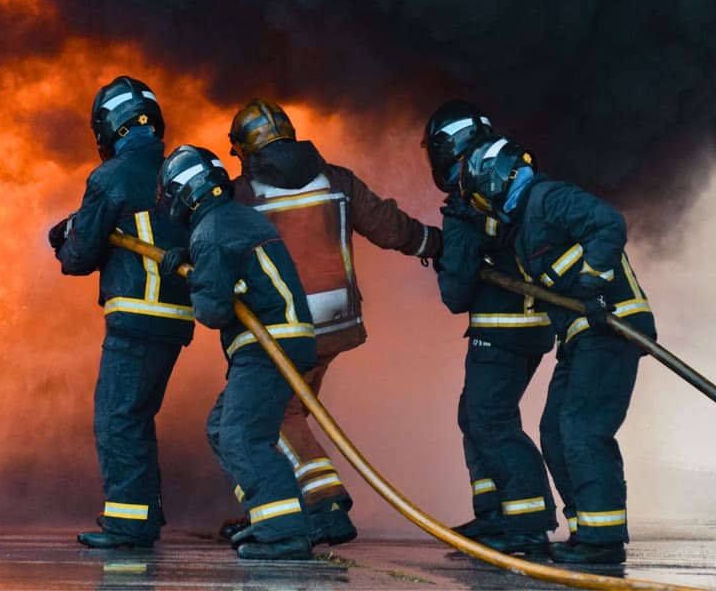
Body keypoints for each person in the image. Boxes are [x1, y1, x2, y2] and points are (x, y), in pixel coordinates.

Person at [222, 98, 442, 546]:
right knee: (293, 412)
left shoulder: (242, 195)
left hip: (281, 330)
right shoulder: (336, 179)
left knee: (270, 419)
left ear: (244, 149)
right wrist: (435, 244)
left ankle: (326, 506)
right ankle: (288, 510)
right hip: (334, 324)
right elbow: (388, 226)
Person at [459, 134, 656, 564]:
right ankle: (587, 529)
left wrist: (593, 283)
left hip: (613, 325)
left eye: (479, 195)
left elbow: (609, 223)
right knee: (555, 429)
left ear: (494, 181)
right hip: (582, 335)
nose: (481, 205)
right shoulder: (525, 224)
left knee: (582, 427)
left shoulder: (549, 199)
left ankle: (602, 543)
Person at [49, 76, 195, 549]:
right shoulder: (176, 168)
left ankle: (130, 524)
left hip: (135, 316)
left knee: (116, 419)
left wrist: (66, 241)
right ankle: (144, 513)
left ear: (107, 127)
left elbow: (79, 257)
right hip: (175, 319)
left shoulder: (110, 177)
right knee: (136, 416)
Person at [155, 144, 317, 560]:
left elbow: (212, 311)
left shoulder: (210, 231)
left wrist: (191, 275)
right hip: (278, 341)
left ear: (183, 193)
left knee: (243, 435)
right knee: (221, 429)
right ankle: (267, 519)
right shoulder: (230, 219)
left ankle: (284, 531)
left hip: (268, 346)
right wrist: (191, 260)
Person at [423, 101, 559, 555]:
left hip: (500, 331)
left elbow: (455, 295)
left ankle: (525, 520)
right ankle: (495, 512)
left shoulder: (466, 199)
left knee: (490, 420)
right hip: (533, 326)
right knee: (476, 415)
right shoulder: (505, 176)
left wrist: (450, 259)